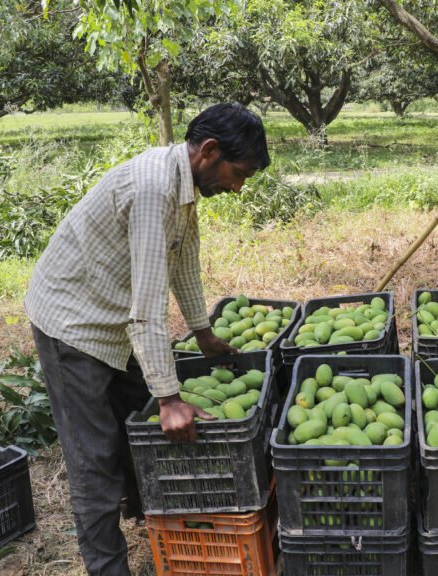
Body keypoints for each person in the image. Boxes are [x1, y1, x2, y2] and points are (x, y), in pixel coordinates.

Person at [24, 103, 270, 575]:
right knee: (94, 459)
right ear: (210, 151)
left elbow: (184, 260)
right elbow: (147, 311)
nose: (237, 188)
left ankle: (155, 522)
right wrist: (170, 398)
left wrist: (203, 332)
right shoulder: (154, 188)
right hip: (73, 322)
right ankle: (108, 567)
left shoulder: (182, 184)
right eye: (238, 174)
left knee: (139, 425)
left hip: (112, 315)